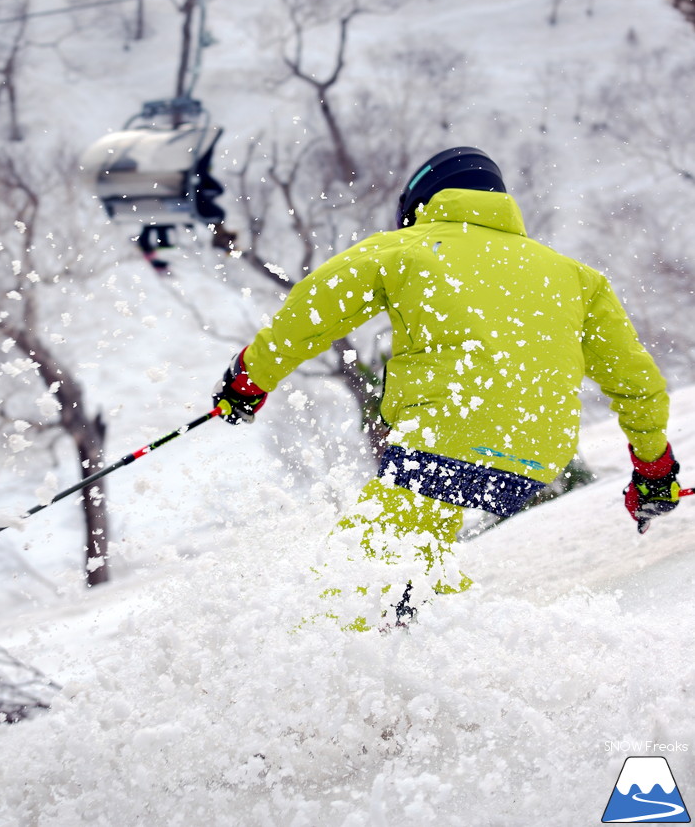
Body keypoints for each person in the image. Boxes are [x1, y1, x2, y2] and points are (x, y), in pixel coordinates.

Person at [212, 147, 681, 631]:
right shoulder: (577, 277)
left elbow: (317, 305)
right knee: (412, 564)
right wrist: (654, 467)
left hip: (446, 434)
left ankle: (356, 664)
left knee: (351, 584)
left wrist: (249, 379)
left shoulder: (410, 245)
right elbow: (636, 383)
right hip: (535, 456)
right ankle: (420, 650)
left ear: (420, 204)